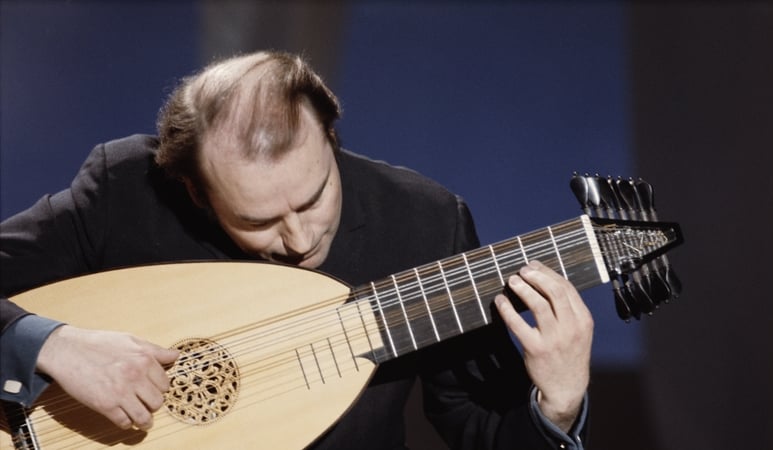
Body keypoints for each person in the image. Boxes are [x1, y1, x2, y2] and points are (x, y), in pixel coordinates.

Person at [0, 51, 593, 449]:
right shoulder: (124, 188)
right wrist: (51, 344)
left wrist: (557, 406)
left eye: (314, 199)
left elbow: (475, 420)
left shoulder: (424, 221)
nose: (302, 240)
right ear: (196, 192)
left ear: (331, 139)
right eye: (258, 220)